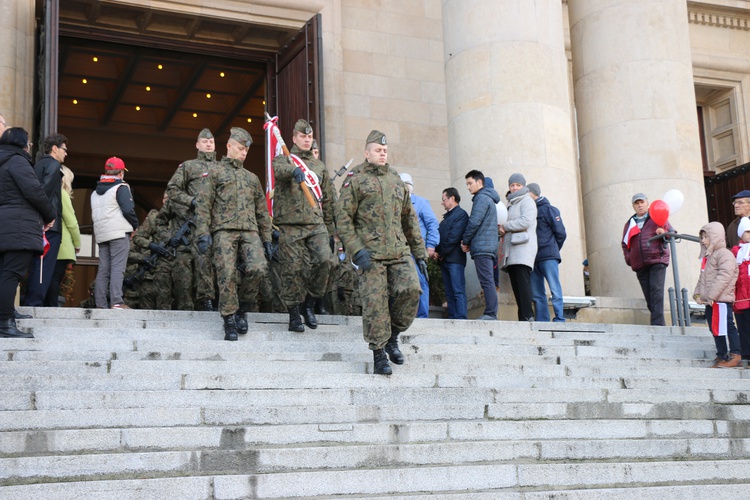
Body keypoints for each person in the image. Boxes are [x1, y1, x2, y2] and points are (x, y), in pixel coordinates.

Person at [336, 130, 426, 375]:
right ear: (367, 153)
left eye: (385, 150)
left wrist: (419, 252)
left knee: (411, 290)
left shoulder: (395, 179)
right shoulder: (355, 180)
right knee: (375, 305)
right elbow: (343, 219)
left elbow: (409, 218)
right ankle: (378, 356)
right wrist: (356, 250)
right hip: (371, 254)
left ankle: (392, 336)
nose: (383, 153)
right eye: (378, 150)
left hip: (398, 251)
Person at [194, 127, 273, 341]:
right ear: (229, 146)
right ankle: (229, 318)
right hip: (224, 230)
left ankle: (243, 308)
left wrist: (267, 239)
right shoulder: (215, 172)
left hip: (249, 230)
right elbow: (203, 205)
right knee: (227, 273)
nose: (244, 153)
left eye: (246, 150)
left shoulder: (251, 178)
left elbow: (262, 212)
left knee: (258, 268)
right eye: (240, 148)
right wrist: (203, 233)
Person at [271, 119, 335, 332]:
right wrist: (292, 171)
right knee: (292, 269)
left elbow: (328, 200)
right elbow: (278, 170)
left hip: (316, 224)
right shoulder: (284, 159)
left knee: (325, 261)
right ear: (294, 138)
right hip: (291, 225)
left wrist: (331, 232)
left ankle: (310, 303)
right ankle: (293, 314)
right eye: (303, 136)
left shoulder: (319, 166)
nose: (307, 140)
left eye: (309, 137)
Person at [0, 127, 55, 337]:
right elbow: (35, 191)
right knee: (11, 273)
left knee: (4, 272)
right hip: (18, 226)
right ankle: (4, 324)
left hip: (5, 224)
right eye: (29, 144)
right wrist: (49, 215)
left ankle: (7, 314)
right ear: (22, 143)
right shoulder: (17, 161)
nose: (29, 147)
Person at [166, 128, 217, 311]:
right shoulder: (188, 166)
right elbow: (172, 189)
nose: (209, 144)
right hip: (191, 225)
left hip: (214, 226)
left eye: (211, 141)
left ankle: (207, 301)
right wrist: (191, 201)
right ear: (197, 145)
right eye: (205, 141)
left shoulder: (221, 168)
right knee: (184, 270)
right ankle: (185, 306)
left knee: (208, 265)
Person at [24, 133, 68, 307]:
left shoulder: (38, 164)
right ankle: (34, 303)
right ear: (55, 148)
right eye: (64, 149)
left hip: (39, 223)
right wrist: (48, 218)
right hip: (50, 225)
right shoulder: (53, 165)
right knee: (44, 266)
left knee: (37, 265)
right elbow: (44, 194)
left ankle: (33, 301)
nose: (66, 153)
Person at [90, 156, 138, 309]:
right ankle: (117, 302)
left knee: (103, 269)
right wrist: (134, 225)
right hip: (118, 232)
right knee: (118, 267)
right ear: (121, 173)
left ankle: (100, 304)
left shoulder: (95, 192)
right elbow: (128, 209)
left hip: (102, 234)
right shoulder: (121, 187)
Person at [694, 221, 741, 368]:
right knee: (715, 328)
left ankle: (735, 354)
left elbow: (724, 276)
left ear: (715, 237)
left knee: (727, 326)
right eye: (701, 237)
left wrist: (711, 296)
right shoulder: (708, 257)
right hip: (711, 301)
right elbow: (702, 278)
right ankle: (721, 355)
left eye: (705, 237)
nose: (703, 241)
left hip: (721, 300)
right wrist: (697, 294)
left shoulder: (724, 254)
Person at [621, 193, 673, 326]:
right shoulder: (629, 223)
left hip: (657, 260)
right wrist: (630, 259)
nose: (639, 205)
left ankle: (658, 326)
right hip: (640, 264)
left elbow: (672, 234)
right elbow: (624, 243)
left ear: (647, 203)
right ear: (633, 206)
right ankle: (658, 323)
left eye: (642, 202)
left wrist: (663, 233)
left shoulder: (657, 217)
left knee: (656, 292)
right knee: (649, 297)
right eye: (636, 203)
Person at [461, 170, 500, 320]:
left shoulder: (482, 198)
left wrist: (466, 241)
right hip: (487, 245)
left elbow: (474, 221)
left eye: (470, 183)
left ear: (480, 182)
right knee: (488, 279)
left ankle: (491, 313)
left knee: (486, 280)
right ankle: (491, 312)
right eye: (467, 184)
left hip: (483, 247)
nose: (468, 187)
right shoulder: (487, 198)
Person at [399, 173, 440, 318]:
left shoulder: (421, 203)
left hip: (416, 249)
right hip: (398, 250)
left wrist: (431, 245)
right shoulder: (395, 204)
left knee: (420, 281)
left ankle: (422, 316)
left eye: (407, 184)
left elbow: (432, 224)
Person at [498, 173, 537, 321]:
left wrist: (505, 226)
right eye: (512, 185)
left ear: (523, 186)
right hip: (512, 250)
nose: (514, 188)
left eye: (517, 185)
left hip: (523, 249)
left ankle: (528, 316)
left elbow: (526, 221)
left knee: (523, 284)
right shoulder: (511, 203)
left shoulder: (527, 201)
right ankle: (523, 317)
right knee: (516, 286)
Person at [527, 182, 566, 322]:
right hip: (533, 257)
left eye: (527, 193)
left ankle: (560, 319)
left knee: (555, 289)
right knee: (537, 293)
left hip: (548, 256)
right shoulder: (529, 211)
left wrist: (553, 248)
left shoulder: (550, 209)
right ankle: (542, 320)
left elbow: (561, 233)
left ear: (533, 193)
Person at [435, 187, 469, 319]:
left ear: (452, 198)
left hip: (455, 260)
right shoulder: (445, 219)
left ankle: (460, 317)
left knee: (458, 290)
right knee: (449, 292)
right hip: (444, 260)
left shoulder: (461, 215)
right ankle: (453, 316)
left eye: (444, 199)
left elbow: (453, 238)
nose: (442, 203)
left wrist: (440, 252)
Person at [50, 166, 81, 306]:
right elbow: (72, 222)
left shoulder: (53, 193)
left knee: (50, 276)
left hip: (54, 241)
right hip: (63, 243)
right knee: (56, 277)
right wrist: (77, 242)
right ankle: (51, 306)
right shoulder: (63, 194)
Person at [730, 217, 750, 367]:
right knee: (742, 326)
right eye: (747, 232)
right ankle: (746, 355)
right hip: (739, 297)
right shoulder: (735, 252)